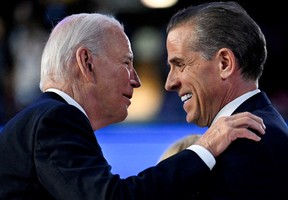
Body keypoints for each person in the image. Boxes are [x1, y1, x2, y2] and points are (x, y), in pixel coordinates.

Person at [0, 13, 266, 200]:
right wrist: (206, 147)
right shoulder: (55, 119)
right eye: (127, 63)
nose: (137, 80)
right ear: (87, 63)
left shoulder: (43, 118)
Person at [164, 1, 288, 200]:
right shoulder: (258, 131)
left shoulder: (248, 143)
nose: (170, 83)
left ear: (224, 63)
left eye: (180, 64)